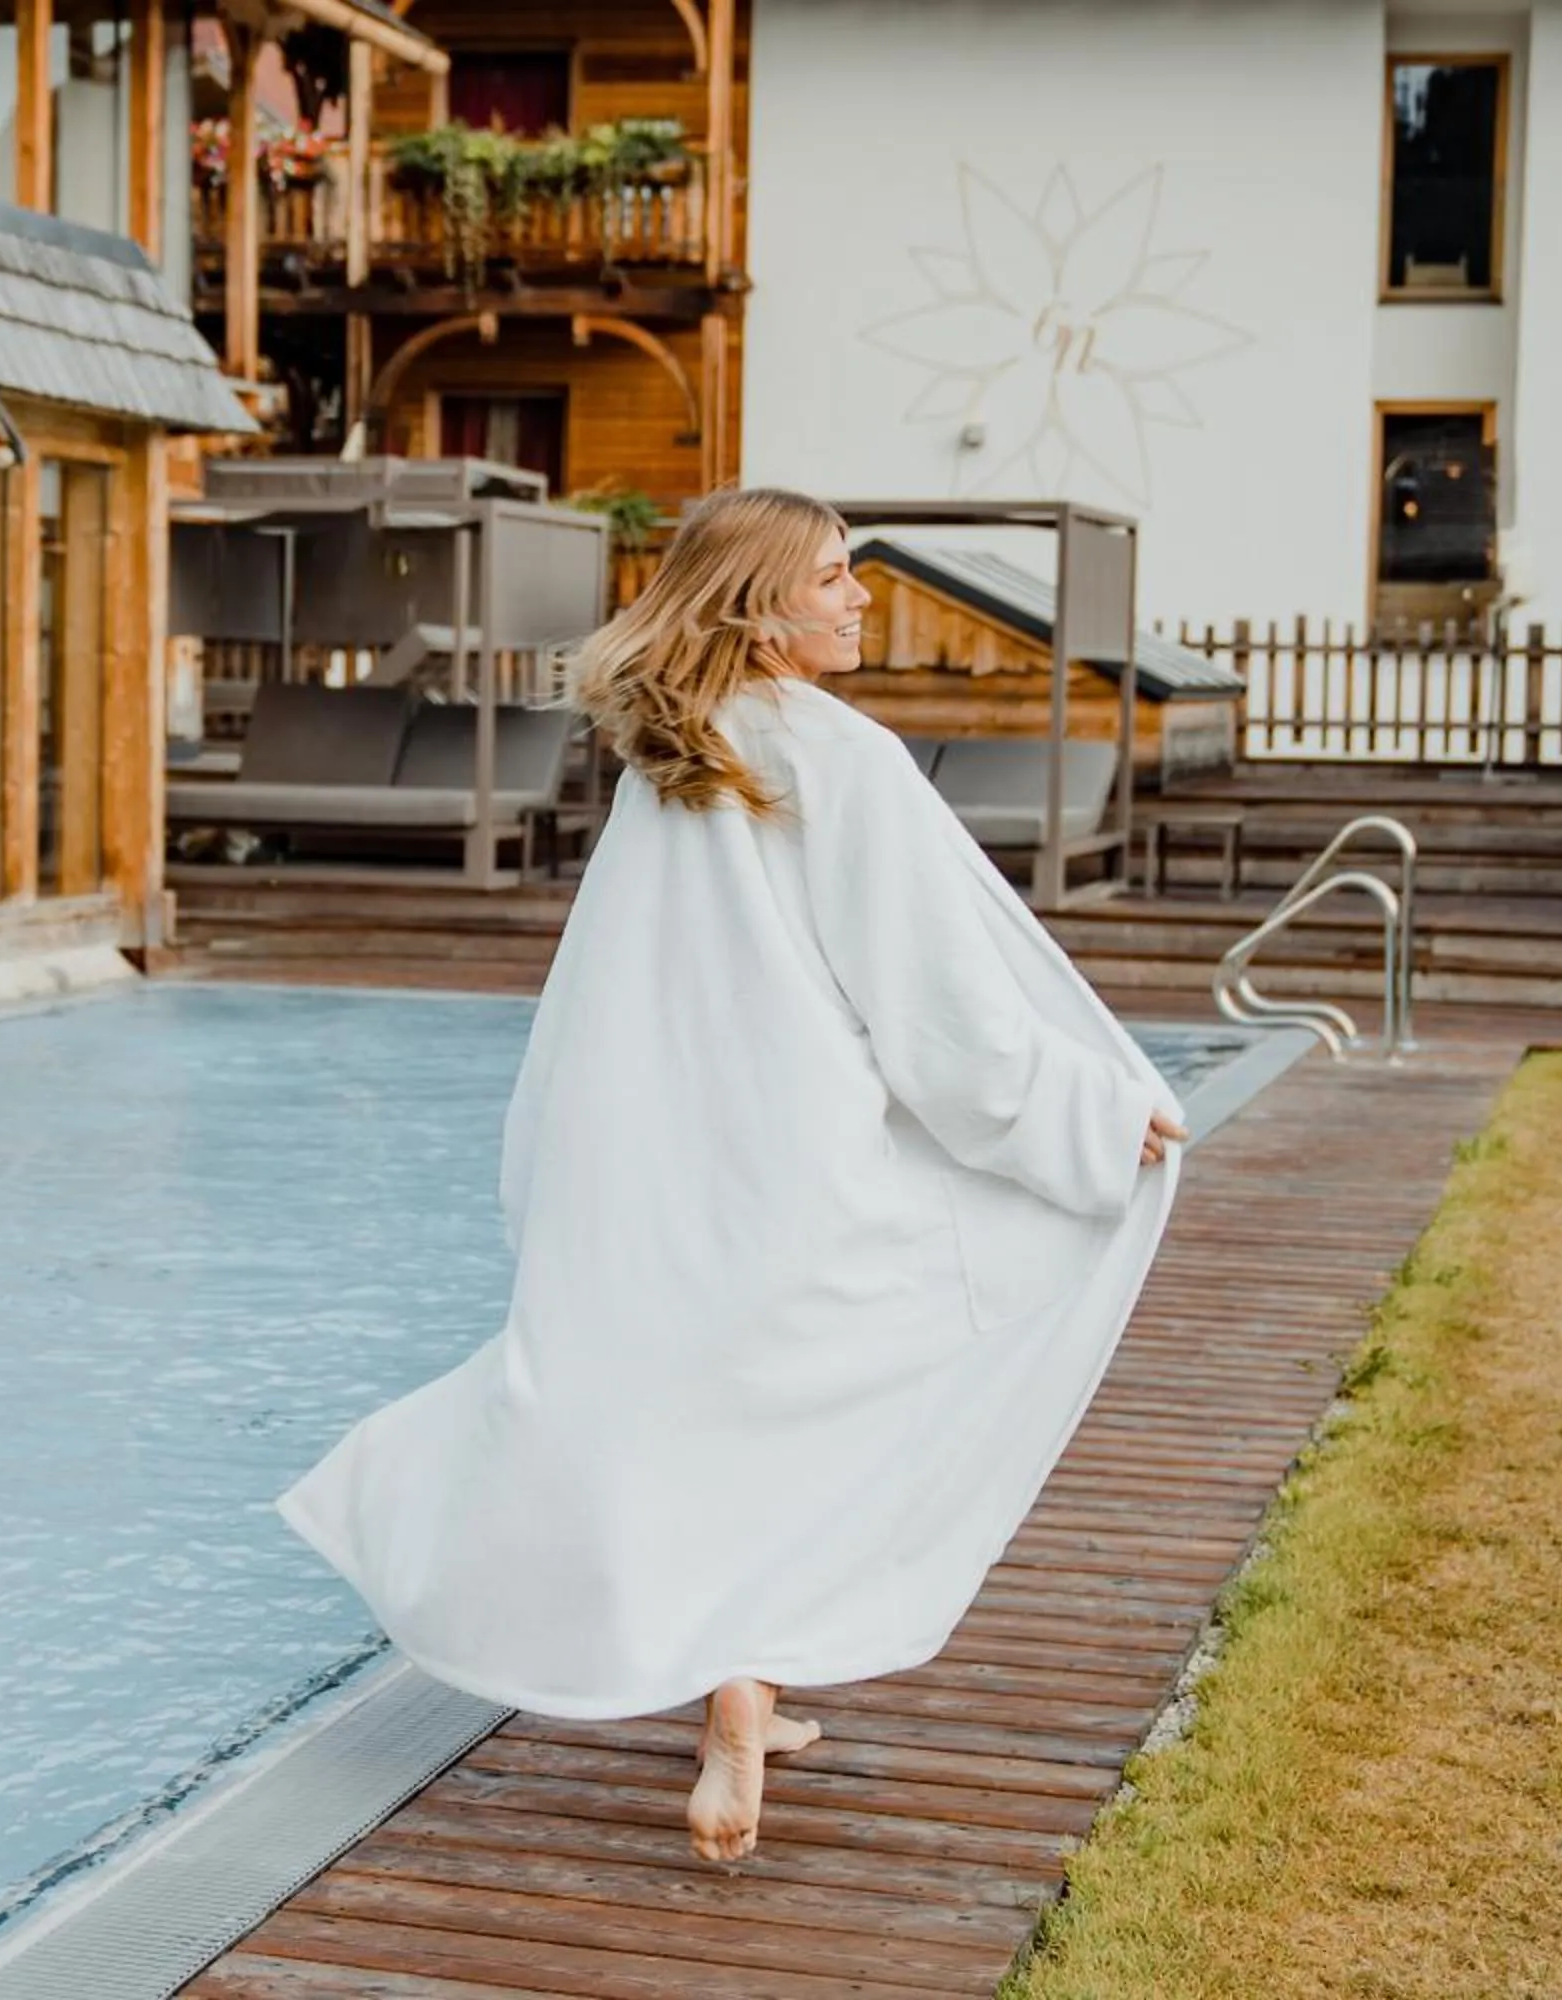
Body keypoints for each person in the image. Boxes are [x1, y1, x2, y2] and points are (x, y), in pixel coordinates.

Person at [277, 488, 1187, 1863]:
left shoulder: (679, 755)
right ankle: (741, 1693)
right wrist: (1085, 1114)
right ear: (760, 609)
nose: (859, 598)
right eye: (832, 578)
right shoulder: (846, 759)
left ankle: (742, 1688)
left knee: (717, 1409)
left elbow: (609, 987)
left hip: (673, 1166)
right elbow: (940, 1017)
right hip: (799, 1163)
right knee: (853, 1394)